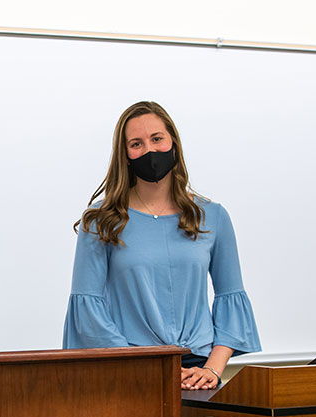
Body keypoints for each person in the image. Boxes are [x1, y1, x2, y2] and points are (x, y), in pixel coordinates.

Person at [63, 101, 260, 390]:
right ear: (125, 155)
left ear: (173, 143)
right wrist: (144, 367)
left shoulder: (213, 216)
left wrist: (213, 370)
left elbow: (231, 297)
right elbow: (88, 314)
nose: (149, 150)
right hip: (129, 373)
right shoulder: (101, 220)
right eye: (136, 143)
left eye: (157, 139)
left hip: (199, 376)